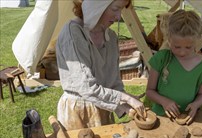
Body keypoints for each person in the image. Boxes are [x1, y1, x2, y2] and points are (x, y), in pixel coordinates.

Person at [56, 0, 146, 130]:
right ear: (97, 5)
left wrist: (124, 105)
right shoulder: (73, 33)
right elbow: (86, 88)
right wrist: (126, 98)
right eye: (115, 9)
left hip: (103, 108)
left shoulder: (111, 37)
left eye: (121, 10)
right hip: (78, 113)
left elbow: (113, 81)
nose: (118, 16)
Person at [146, 9, 202, 124]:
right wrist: (164, 101)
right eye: (177, 47)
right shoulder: (161, 58)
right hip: (161, 117)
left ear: (197, 40)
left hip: (188, 118)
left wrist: (196, 105)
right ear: (169, 39)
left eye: (188, 47)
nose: (182, 52)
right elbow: (150, 91)